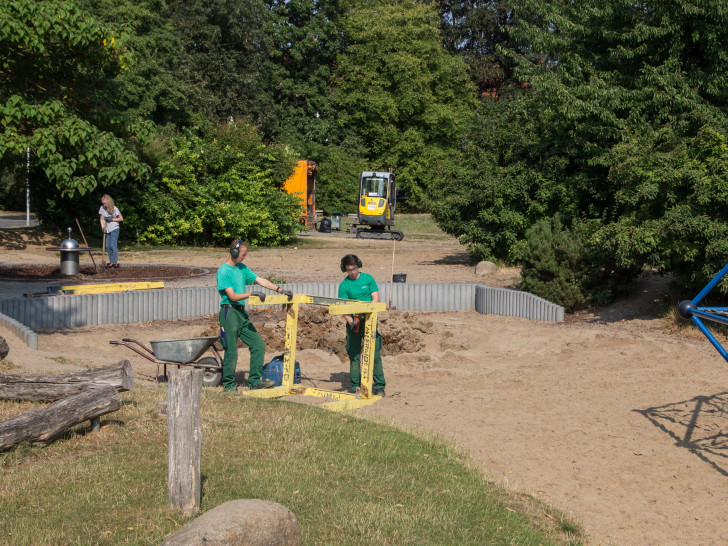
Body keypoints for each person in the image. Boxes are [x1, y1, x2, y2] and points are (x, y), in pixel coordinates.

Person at [217, 239, 293, 392]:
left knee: (258, 345)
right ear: (234, 252)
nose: (244, 258)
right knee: (231, 350)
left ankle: (254, 382)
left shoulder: (242, 268)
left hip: (241, 313)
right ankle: (228, 385)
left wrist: (280, 290)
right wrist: (251, 293)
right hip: (229, 312)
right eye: (243, 255)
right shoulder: (223, 272)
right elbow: (232, 296)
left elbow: (261, 281)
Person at [337, 254, 386, 396]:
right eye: (349, 270)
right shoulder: (344, 285)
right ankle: (355, 386)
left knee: (374, 354)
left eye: (354, 269)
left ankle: (379, 385)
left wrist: (369, 313)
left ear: (358, 266)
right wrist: (351, 322)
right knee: (355, 356)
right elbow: (343, 308)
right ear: (344, 269)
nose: (352, 272)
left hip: (369, 320)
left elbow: (375, 298)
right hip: (354, 323)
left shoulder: (368, 279)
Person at [98, 194, 123, 269]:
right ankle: (111, 262)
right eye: (103, 203)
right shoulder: (102, 208)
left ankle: (115, 262)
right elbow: (101, 218)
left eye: (105, 203)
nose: (104, 205)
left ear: (109, 202)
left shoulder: (115, 209)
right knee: (108, 246)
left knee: (113, 245)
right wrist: (102, 227)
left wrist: (112, 219)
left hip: (114, 228)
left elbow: (121, 219)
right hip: (107, 229)